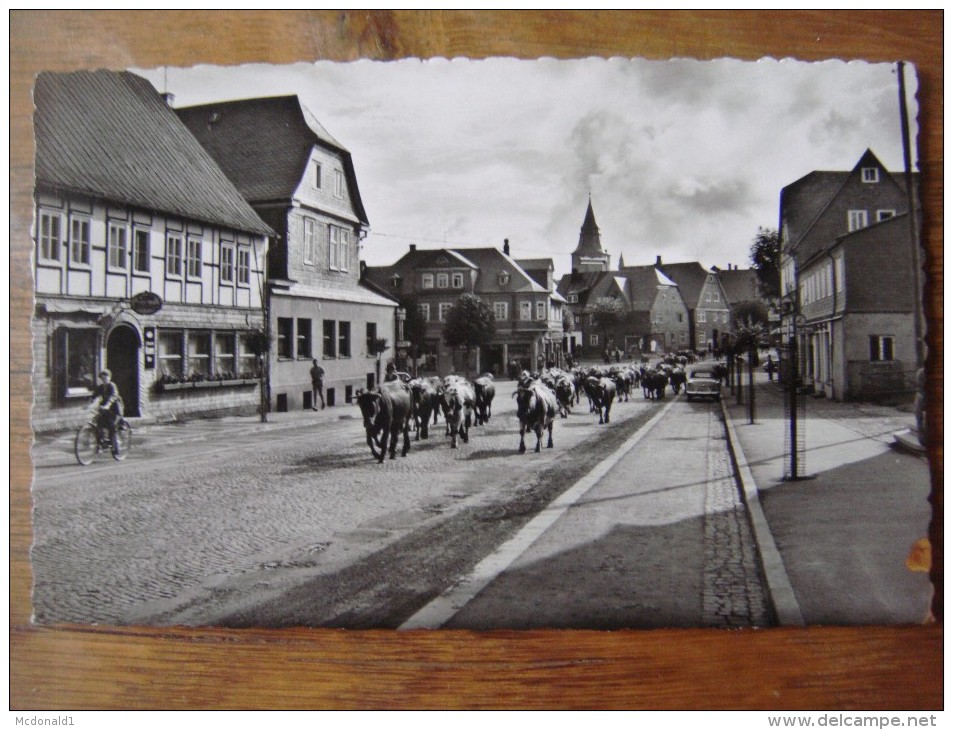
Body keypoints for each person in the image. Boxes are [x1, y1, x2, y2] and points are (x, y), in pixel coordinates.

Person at [90, 369, 122, 451]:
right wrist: (88, 405)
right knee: (97, 424)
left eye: (105, 378)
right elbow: (94, 396)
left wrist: (107, 405)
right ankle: (99, 443)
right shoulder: (100, 387)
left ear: (109, 378)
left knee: (111, 425)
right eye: (102, 378)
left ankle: (115, 446)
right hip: (105, 408)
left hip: (115, 408)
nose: (104, 380)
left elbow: (113, 397)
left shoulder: (112, 386)